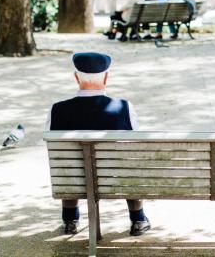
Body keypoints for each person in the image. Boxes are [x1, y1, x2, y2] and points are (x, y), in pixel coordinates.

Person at [46, 52, 151, 236]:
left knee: (68, 163)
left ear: (76, 77)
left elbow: (55, 148)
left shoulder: (57, 110)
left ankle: (70, 220)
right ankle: (138, 219)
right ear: (107, 77)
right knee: (131, 161)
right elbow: (136, 144)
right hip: (116, 180)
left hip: (74, 181)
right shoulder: (124, 107)